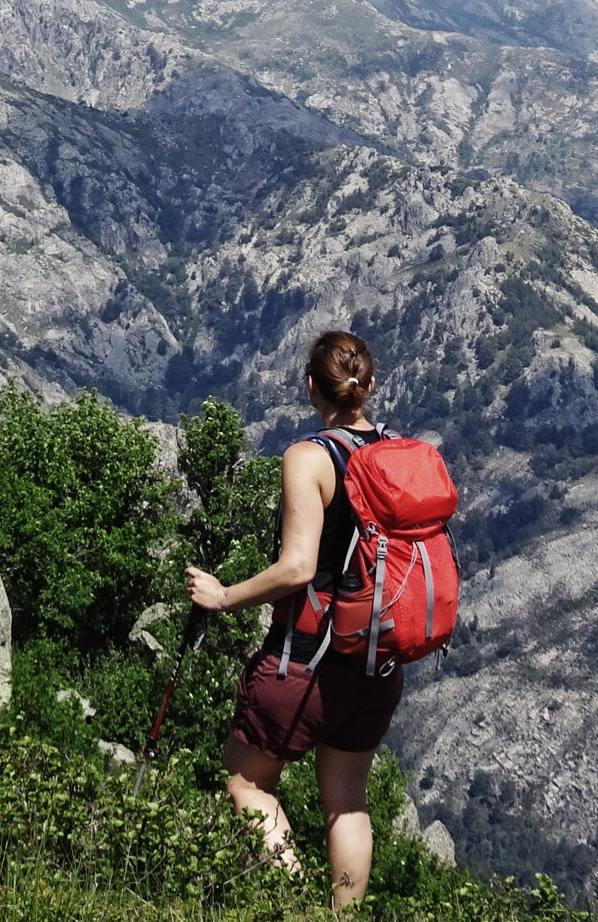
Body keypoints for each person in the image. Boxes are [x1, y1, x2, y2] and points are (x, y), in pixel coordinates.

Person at [187, 330, 402, 909]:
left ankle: (292, 909)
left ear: (311, 387)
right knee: (348, 804)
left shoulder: (309, 457)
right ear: (370, 384)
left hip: (307, 662)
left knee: (247, 782)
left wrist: (225, 596)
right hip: (378, 665)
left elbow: (298, 567)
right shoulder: (396, 452)